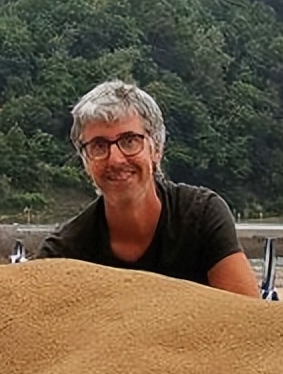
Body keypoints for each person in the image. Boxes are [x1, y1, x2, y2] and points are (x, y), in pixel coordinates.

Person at [34, 80, 259, 296]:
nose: (115, 159)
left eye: (130, 141)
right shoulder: (64, 253)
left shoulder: (200, 217)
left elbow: (249, 317)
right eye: (99, 146)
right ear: (85, 161)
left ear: (156, 149)